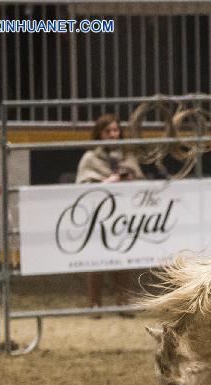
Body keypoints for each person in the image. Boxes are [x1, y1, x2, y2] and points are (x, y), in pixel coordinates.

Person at [75, 113, 144, 312]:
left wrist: (130, 180)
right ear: (99, 134)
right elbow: (81, 186)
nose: (113, 135)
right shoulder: (90, 158)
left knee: (124, 257)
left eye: (116, 130)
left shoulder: (127, 156)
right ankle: (95, 303)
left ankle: (123, 301)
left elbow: (141, 181)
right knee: (96, 258)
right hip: (99, 216)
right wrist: (106, 183)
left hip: (125, 216)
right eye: (108, 131)